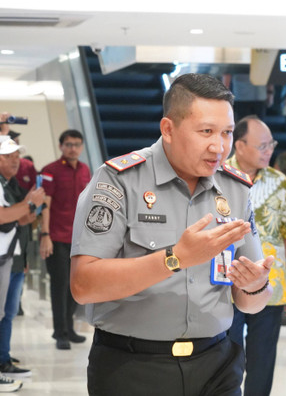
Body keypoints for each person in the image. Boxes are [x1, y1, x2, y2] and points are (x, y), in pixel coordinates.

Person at [69, 73, 273, 396]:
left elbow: (251, 303)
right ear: (168, 129)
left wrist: (255, 285)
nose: (218, 146)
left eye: (227, 133)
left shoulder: (235, 189)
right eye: (206, 131)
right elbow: (83, 285)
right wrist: (175, 258)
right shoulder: (119, 181)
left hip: (217, 366)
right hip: (132, 368)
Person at [227, 115, 286, 396]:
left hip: (272, 284)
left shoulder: (279, 181)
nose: (268, 151)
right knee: (228, 355)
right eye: (261, 146)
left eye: (271, 144)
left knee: (263, 358)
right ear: (240, 145)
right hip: (228, 280)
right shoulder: (220, 175)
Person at [39, 129, 92, 350]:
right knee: (59, 286)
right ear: (61, 146)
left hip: (79, 239)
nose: (73, 148)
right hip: (57, 237)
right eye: (69, 144)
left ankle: (69, 328)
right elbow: (45, 204)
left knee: (74, 286)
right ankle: (59, 332)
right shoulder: (50, 171)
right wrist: (45, 235)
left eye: (77, 144)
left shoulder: (85, 170)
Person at [0, 136, 45, 391]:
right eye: (8, 156)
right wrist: (29, 203)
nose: (15, 161)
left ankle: (3, 360)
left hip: (11, 256)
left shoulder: (10, 184)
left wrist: (32, 204)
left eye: (17, 156)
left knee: (6, 314)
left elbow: (22, 219)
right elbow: (4, 215)